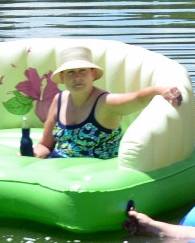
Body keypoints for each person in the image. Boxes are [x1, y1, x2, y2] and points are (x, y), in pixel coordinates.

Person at [32, 44, 186, 159]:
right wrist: (29, 156)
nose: (77, 77)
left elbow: (137, 98)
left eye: (82, 71)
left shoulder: (106, 102)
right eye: (71, 72)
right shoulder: (59, 100)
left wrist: (159, 90)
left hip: (94, 174)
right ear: (63, 77)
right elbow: (45, 144)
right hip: (57, 167)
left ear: (92, 74)